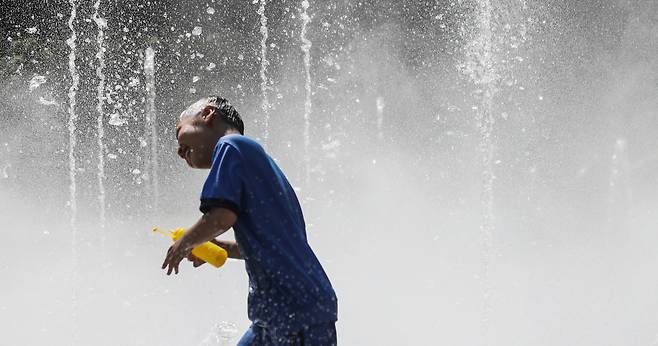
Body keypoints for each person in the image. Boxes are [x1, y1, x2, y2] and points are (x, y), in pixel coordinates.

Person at [161, 96, 338, 345]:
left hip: (296, 309)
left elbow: (221, 216)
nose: (179, 151)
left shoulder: (231, 145)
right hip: (277, 313)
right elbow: (266, 246)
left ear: (208, 114)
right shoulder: (251, 162)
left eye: (180, 133)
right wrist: (221, 248)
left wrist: (185, 243)